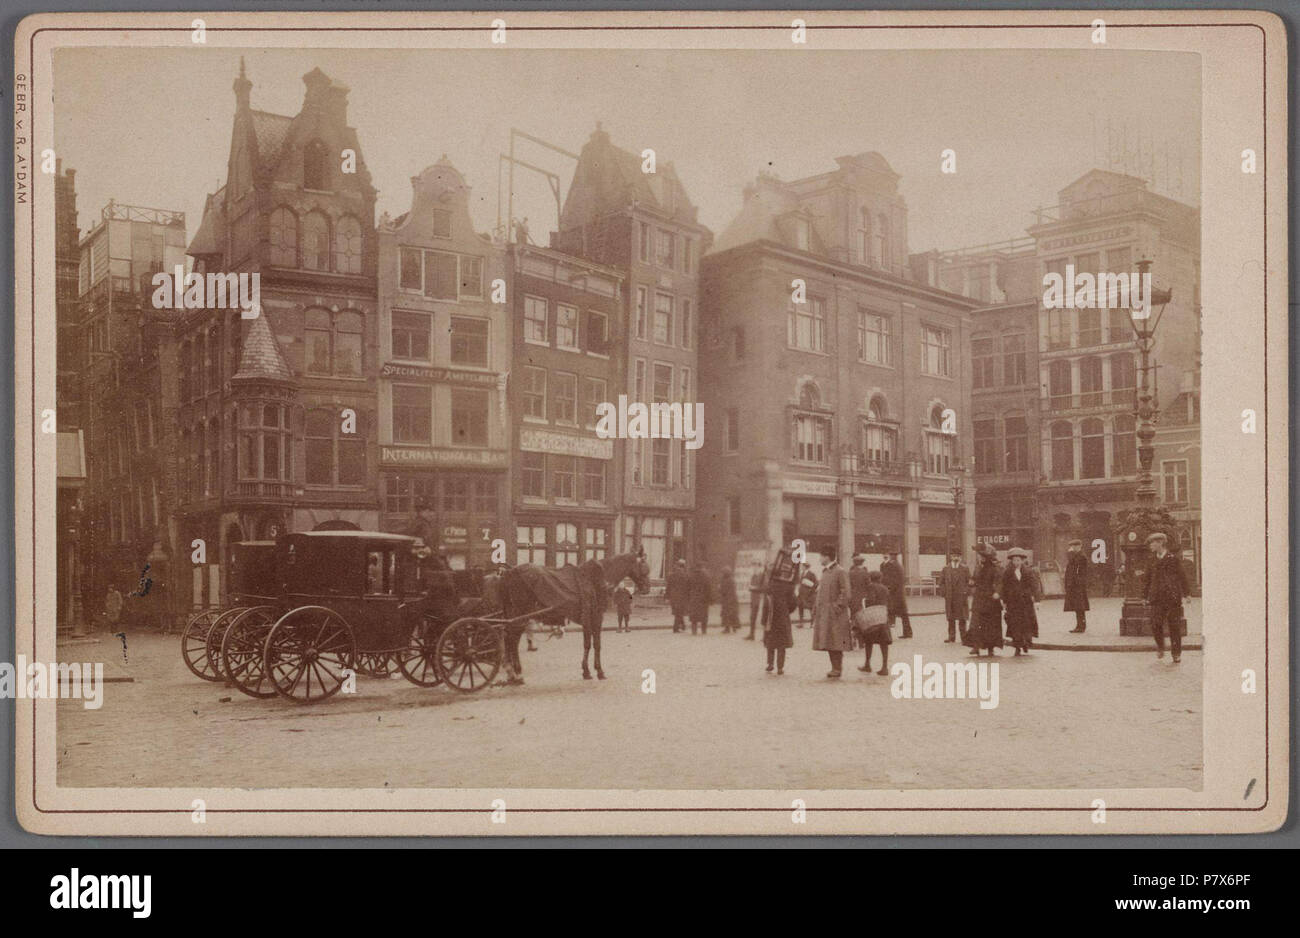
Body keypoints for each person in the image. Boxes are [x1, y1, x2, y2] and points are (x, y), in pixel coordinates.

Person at [1144, 532, 1189, 663]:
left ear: (1160, 543)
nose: (1151, 545)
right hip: (1156, 598)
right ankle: (1161, 646)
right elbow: (1147, 579)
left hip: (1172, 598)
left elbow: (1182, 576)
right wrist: (1144, 596)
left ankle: (1176, 653)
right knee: (1155, 624)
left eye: (1153, 543)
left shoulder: (1173, 559)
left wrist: (1187, 594)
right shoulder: (1151, 560)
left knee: (1174, 626)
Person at [811, 546, 852, 678]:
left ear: (827, 556)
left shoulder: (840, 571)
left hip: (835, 613)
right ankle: (834, 667)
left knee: (836, 641)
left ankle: (837, 668)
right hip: (824, 612)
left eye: (821, 556)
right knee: (829, 640)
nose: (819, 559)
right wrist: (815, 608)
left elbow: (846, 592)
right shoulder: (825, 572)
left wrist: (837, 606)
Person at [965, 543, 1004, 657]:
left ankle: (990, 648)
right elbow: (974, 579)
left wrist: (997, 592)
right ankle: (976, 646)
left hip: (991, 600)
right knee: (976, 623)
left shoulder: (995, 568)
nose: (979, 558)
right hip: (979, 599)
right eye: (979, 555)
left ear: (987, 557)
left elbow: (999, 582)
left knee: (990, 625)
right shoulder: (978, 567)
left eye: (982, 556)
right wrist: (971, 582)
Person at [1001, 547, 1041, 656]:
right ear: (1012, 561)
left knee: (1027, 624)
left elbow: (1035, 586)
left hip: (1026, 603)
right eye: (1014, 560)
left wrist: (1037, 600)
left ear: (1022, 560)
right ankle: (1017, 646)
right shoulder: (1007, 572)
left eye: (1018, 560)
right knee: (1015, 625)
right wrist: (1004, 601)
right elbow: (1004, 587)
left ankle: (1026, 643)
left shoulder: (1028, 571)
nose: (1016, 562)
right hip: (1013, 603)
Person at [856, 571, 893, 675]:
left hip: (873, 617)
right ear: (880, 578)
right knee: (884, 643)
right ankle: (884, 667)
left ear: (870, 578)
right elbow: (889, 602)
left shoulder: (871, 587)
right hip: (883, 617)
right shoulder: (885, 588)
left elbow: (871, 600)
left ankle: (867, 664)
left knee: (868, 642)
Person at [939, 550, 971, 643]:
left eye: (957, 556)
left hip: (961, 597)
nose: (955, 558)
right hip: (950, 597)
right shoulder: (946, 568)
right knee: (951, 618)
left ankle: (964, 637)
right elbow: (941, 582)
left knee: (962, 618)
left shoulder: (965, 569)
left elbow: (970, 582)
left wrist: (966, 591)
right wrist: (944, 593)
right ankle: (951, 636)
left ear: (960, 557)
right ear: (951, 557)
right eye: (953, 556)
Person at [764, 576, 794, 674]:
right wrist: (786, 611)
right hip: (783, 618)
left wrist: (764, 620)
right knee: (782, 644)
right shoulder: (788, 585)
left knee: (770, 643)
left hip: (771, 618)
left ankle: (770, 664)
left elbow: (766, 603)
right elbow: (793, 602)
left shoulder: (770, 585)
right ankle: (780, 667)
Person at [880, 551, 911, 638]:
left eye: (890, 555)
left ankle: (907, 633)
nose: (889, 557)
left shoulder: (897, 566)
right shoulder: (885, 565)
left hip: (897, 594)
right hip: (892, 593)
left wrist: (889, 589)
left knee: (903, 614)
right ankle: (906, 632)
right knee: (894, 613)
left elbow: (899, 580)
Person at [1064, 538, 1090, 633]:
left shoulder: (1081, 556)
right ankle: (1079, 625)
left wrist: (1070, 554)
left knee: (1080, 606)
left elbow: (1073, 563)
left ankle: (1081, 626)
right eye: (1072, 546)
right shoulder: (1077, 556)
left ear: (1079, 546)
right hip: (1075, 585)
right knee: (1077, 607)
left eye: (1074, 546)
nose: (1072, 548)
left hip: (1078, 586)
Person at [687, 562, 713, 635]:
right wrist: (710, 599)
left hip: (694, 598)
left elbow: (687, 587)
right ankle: (703, 630)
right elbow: (709, 588)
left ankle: (694, 631)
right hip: (703, 599)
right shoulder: (706, 576)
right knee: (704, 615)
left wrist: (688, 597)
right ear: (702, 567)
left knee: (694, 616)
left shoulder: (691, 575)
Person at [747, 563, 770, 640]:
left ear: (760, 568)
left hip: (760, 600)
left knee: (763, 618)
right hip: (754, 600)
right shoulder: (753, 576)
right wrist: (750, 587)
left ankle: (764, 636)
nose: (755, 568)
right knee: (752, 617)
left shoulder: (763, 576)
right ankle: (751, 634)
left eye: (756, 567)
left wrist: (753, 588)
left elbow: (764, 588)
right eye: (754, 567)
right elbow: (751, 587)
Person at [666, 559, 689, 633]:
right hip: (682, 596)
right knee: (679, 612)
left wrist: (667, 597)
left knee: (678, 612)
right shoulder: (685, 575)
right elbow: (687, 587)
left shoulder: (671, 575)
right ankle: (675, 628)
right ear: (684, 566)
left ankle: (683, 626)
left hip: (673, 596)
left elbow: (668, 587)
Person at [848, 554, 871, 621]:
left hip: (852, 596)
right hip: (862, 596)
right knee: (861, 614)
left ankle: (853, 628)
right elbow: (868, 585)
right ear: (862, 563)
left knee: (853, 614)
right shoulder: (865, 573)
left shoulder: (850, 573)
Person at [719, 568, 740, 633]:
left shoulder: (724, 580)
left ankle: (727, 628)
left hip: (726, 600)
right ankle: (734, 627)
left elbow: (723, 590)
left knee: (726, 614)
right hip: (733, 599)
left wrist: (719, 588)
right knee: (733, 614)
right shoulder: (732, 580)